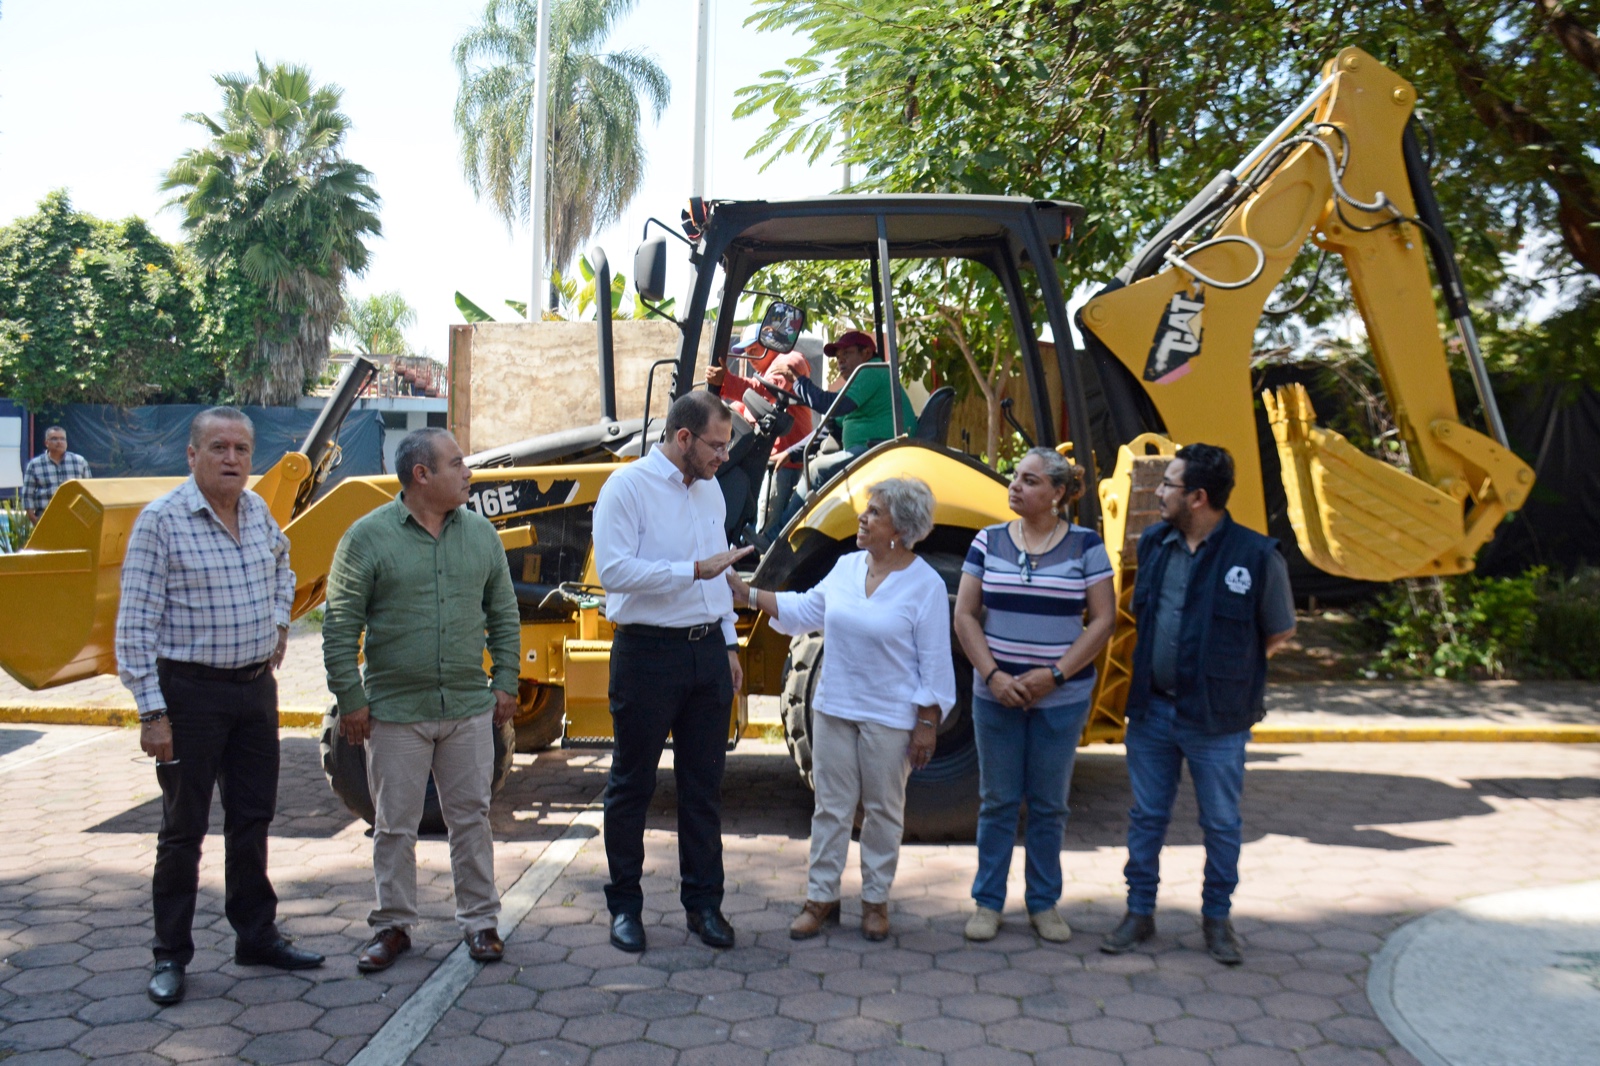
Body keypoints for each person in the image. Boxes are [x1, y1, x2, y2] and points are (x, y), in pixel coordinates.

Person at [115, 407, 323, 1007]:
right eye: (218, 447)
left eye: (241, 449)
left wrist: (279, 623)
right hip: (190, 696)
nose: (232, 458)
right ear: (192, 455)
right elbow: (134, 627)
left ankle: (256, 936)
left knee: (252, 817)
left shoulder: (257, 511)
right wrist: (152, 714)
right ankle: (170, 955)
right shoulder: (161, 522)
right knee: (183, 830)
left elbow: (283, 565)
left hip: (255, 691)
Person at [322, 428, 520, 973]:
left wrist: (506, 680)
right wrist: (351, 700)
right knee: (393, 825)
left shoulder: (480, 535)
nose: (468, 472)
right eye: (457, 464)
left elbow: (504, 613)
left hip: (467, 708)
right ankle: (392, 926)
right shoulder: (367, 537)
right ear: (421, 475)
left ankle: (480, 922)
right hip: (394, 713)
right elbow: (339, 625)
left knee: (472, 819)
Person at [727, 478, 955, 941]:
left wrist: (926, 725)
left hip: (890, 718)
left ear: (900, 529)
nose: (862, 518)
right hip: (834, 707)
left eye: (874, 513)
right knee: (830, 808)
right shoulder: (847, 567)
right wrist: (747, 594)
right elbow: (804, 609)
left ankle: (875, 902)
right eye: (866, 510)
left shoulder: (926, 585)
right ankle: (820, 899)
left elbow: (935, 663)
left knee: (883, 812)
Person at [1099, 443, 1296, 965]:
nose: (1159, 493)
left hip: (1217, 719)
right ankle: (1139, 913)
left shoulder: (1256, 555)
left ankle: (1217, 919)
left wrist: (1228, 671)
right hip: (1152, 712)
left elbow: (1278, 631)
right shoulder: (1155, 543)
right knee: (1146, 817)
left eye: (1169, 484)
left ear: (1199, 497)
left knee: (1221, 824)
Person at [592, 391, 754, 954]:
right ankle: (625, 908)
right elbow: (615, 572)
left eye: (726, 446)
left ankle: (704, 906)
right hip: (647, 654)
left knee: (703, 787)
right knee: (632, 784)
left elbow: (719, 574)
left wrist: (728, 642)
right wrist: (691, 570)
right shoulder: (627, 488)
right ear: (683, 437)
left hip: (706, 651)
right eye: (716, 445)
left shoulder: (710, 489)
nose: (723, 457)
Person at [954, 448, 1116, 943]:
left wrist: (1055, 676)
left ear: (1058, 493)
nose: (1015, 485)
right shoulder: (988, 540)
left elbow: (1103, 620)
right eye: (1016, 476)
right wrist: (994, 676)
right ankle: (988, 903)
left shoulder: (1087, 546)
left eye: (1030, 480)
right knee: (997, 801)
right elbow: (964, 615)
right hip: (995, 697)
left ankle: (1043, 903)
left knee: (1049, 804)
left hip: (1060, 701)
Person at [771, 330, 916, 532]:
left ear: (866, 353)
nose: (841, 360)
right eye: (838, 357)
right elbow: (830, 425)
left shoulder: (873, 371)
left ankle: (778, 535)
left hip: (880, 451)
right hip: (873, 452)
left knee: (816, 470)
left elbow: (830, 405)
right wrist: (790, 452)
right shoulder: (860, 381)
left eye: (847, 353)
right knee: (818, 463)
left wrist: (798, 381)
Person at [706, 345, 814, 537]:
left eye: (754, 350)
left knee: (766, 523)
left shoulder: (789, 360)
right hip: (762, 459)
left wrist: (728, 381)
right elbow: (746, 405)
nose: (750, 357)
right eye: (746, 352)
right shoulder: (766, 372)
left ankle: (766, 545)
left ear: (770, 343)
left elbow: (766, 393)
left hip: (784, 463)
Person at [22, 425, 91, 519]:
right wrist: (34, 520)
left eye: (62, 439)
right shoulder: (35, 465)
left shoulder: (80, 462)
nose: (59, 442)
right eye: (54, 439)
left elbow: (89, 491)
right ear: (46, 443)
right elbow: (27, 495)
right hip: (46, 516)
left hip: (75, 516)